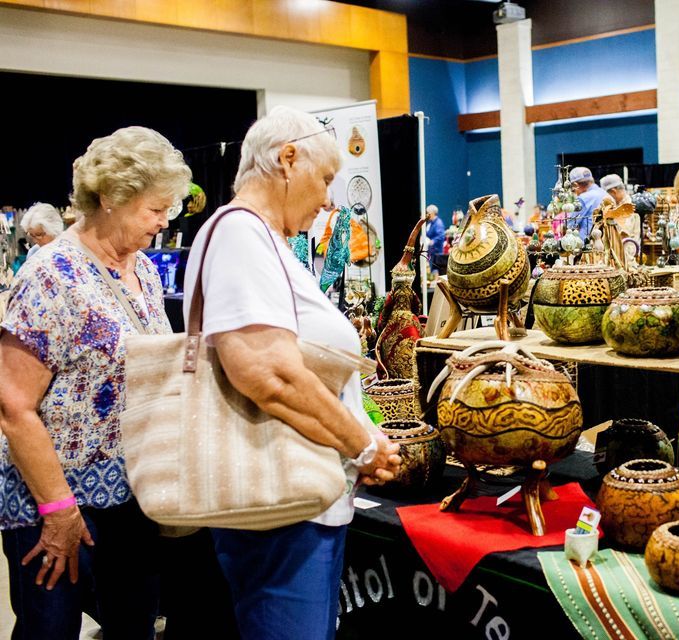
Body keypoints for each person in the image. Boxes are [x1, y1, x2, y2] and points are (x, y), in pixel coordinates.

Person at [181, 106, 401, 640]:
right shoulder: (240, 234)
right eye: (325, 178)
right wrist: (362, 445)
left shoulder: (258, 237)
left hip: (293, 503)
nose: (328, 198)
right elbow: (267, 372)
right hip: (279, 510)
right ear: (287, 160)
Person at [0, 126, 191, 638]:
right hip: (57, 502)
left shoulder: (144, 271)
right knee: (51, 630)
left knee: (133, 626)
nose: (164, 220)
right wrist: (58, 510)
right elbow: (13, 407)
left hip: (134, 497)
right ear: (109, 198)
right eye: (154, 208)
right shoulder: (50, 276)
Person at [599, 174, 643, 240]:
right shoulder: (617, 205)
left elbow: (624, 233)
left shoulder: (629, 206)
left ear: (614, 191)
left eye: (608, 194)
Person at [568, 167, 606, 243]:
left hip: (587, 246)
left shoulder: (583, 199)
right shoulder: (605, 194)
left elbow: (571, 225)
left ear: (576, 185)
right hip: (606, 242)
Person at [424, 204, 446, 274]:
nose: (427, 214)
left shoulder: (438, 223)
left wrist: (432, 241)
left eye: (428, 213)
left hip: (436, 252)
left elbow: (441, 236)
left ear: (432, 213)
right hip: (431, 251)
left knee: (435, 270)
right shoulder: (430, 223)